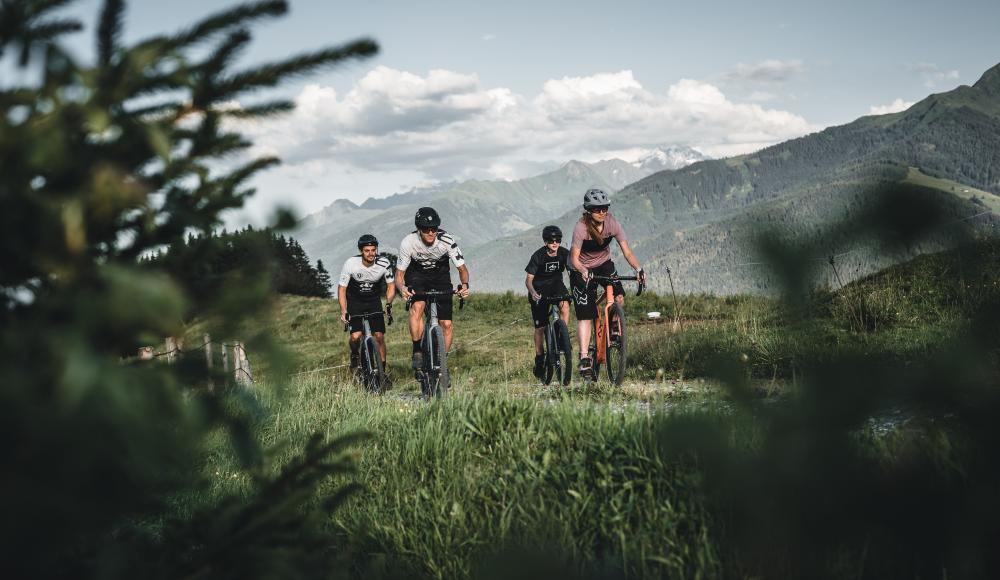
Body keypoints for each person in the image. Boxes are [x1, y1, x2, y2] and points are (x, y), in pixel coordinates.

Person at [569, 188, 646, 379]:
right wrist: (583, 271)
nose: (602, 212)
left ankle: (613, 326)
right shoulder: (581, 227)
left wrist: (638, 269)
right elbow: (574, 257)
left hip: (604, 264)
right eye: (597, 209)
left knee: (619, 296)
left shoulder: (612, 223)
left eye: (604, 208)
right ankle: (585, 357)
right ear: (588, 210)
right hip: (581, 267)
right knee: (586, 313)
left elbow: (627, 252)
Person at [395, 207, 471, 371]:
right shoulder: (408, 242)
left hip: (440, 275)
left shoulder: (447, 240)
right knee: (418, 306)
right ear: (418, 229)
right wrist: (402, 288)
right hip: (417, 275)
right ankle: (417, 350)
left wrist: (464, 286)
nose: (430, 233)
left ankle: (442, 363)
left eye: (434, 229)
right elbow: (399, 274)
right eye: (426, 229)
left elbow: (462, 269)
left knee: (447, 324)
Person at [338, 234, 395, 382]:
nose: (370, 253)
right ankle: (355, 353)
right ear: (361, 251)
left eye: (373, 250)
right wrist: (343, 310)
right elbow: (342, 289)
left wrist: (388, 303)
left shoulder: (384, 263)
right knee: (355, 336)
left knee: (379, 336)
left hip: (373, 300)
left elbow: (390, 285)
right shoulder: (351, 263)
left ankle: (382, 372)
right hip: (355, 301)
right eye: (367, 250)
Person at [524, 225, 572, 379]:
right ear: (546, 241)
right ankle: (539, 359)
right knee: (540, 327)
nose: (555, 242)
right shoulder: (538, 255)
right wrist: (532, 293)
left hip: (556, 285)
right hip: (539, 288)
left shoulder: (564, 253)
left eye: (558, 240)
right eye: (551, 240)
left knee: (565, 303)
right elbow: (528, 280)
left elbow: (571, 271)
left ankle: (562, 336)